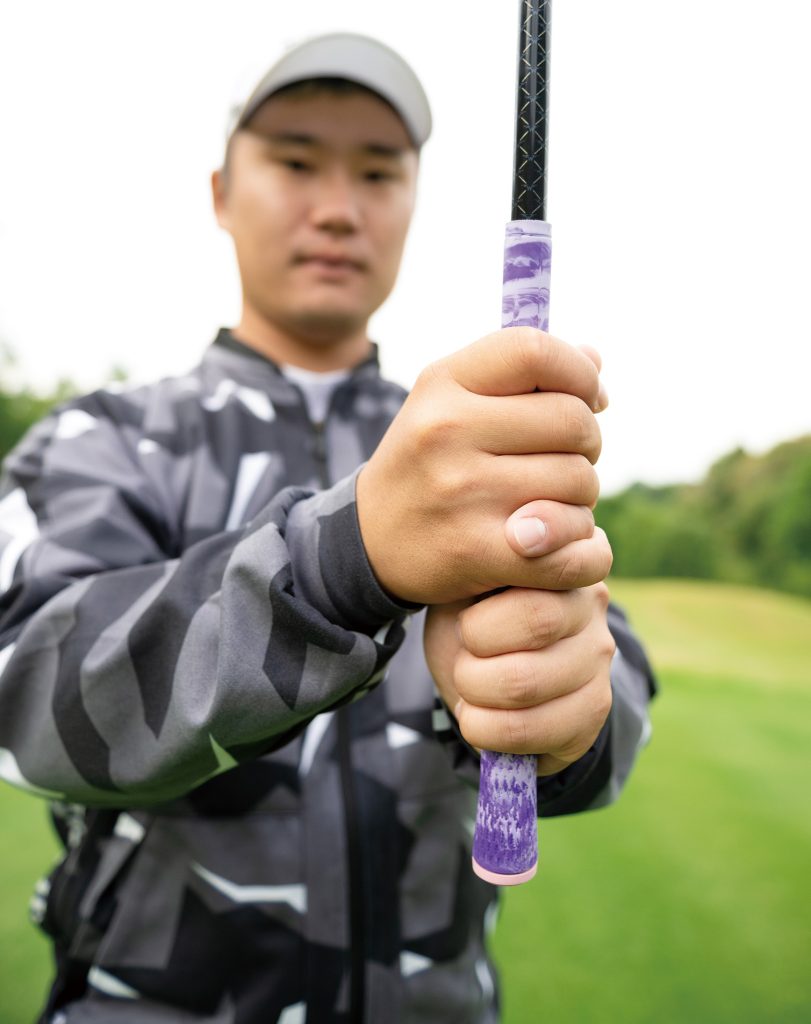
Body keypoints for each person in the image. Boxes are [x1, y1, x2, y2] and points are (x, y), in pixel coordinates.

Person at [0, 32, 656, 1024]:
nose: (339, 208)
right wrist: (344, 560)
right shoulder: (104, 443)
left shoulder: (477, 446)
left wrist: (569, 706)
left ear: (413, 200)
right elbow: (27, 692)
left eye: (378, 171)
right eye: (297, 161)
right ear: (222, 193)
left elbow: (612, 667)